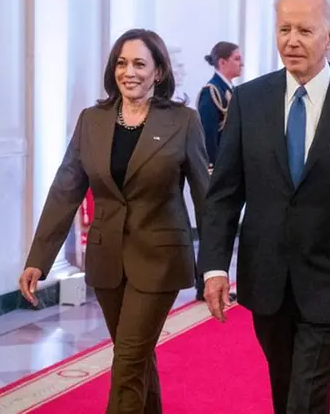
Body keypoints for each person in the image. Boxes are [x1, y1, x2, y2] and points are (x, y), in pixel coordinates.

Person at [198, 0, 330, 414]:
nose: (291, 40)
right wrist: (214, 266)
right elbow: (225, 195)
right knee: (284, 385)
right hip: (265, 278)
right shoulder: (248, 100)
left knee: (307, 393)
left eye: (304, 30)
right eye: (284, 28)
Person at [18, 28, 209, 414]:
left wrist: (216, 264)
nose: (129, 72)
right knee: (134, 354)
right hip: (108, 260)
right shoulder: (93, 120)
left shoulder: (183, 121)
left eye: (140, 63)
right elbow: (65, 190)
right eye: (122, 63)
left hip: (160, 260)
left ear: (159, 72)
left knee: (127, 360)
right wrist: (38, 257)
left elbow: (206, 195)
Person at [195, 41, 242, 301]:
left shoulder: (230, 90)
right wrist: (212, 168)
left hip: (229, 170)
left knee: (225, 226)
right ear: (222, 62)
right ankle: (203, 284)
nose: (241, 63)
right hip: (215, 171)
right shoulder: (211, 92)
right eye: (236, 58)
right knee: (212, 228)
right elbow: (207, 135)